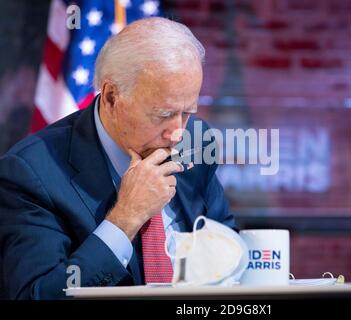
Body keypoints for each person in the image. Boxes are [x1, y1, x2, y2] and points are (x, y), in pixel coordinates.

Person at [0, 17, 234, 299]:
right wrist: (125, 219)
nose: (176, 134)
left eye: (187, 113)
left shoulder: (195, 141)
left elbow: (228, 251)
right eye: (162, 115)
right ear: (112, 97)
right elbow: (37, 295)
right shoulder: (32, 172)